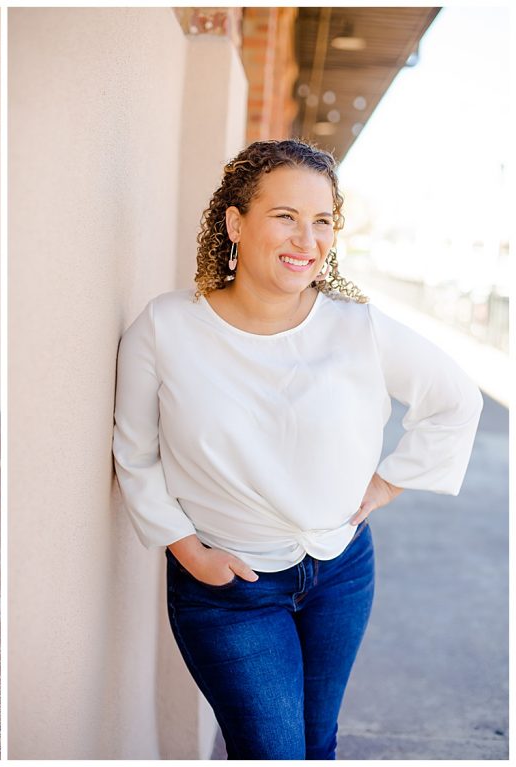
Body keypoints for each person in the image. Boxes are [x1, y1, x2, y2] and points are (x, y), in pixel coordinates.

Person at [112, 139, 482, 760]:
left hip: (341, 572)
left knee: (318, 743)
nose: (306, 240)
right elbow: (135, 451)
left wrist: (386, 484)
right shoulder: (166, 327)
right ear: (236, 221)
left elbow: (455, 400)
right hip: (230, 586)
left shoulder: (356, 327)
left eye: (322, 221)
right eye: (286, 216)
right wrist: (186, 551)